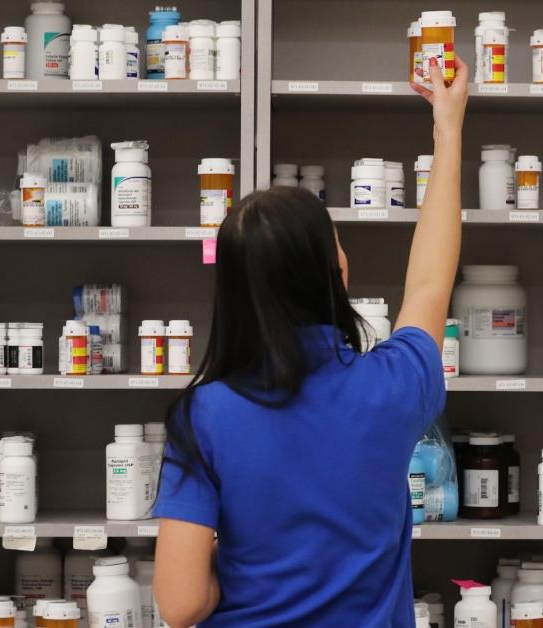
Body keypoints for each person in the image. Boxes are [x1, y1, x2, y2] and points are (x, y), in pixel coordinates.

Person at [152, 56, 469, 627]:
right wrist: (448, 129)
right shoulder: (396, 386)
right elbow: (429, 280)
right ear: (335, 272)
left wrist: (254, 559)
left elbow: (179, 605)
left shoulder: (204, 414)